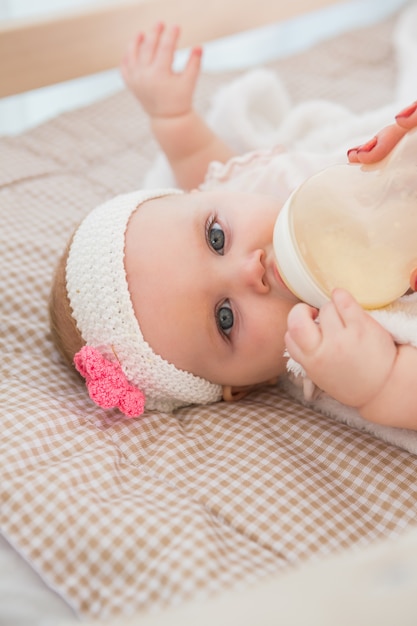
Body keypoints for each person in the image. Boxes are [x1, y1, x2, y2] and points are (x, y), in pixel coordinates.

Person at [50, 22, 417, 428]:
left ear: (202, 197)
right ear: (240, 387)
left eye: (216, 237)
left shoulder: (255, 188)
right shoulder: (331, 359)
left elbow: (198, 161)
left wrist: (170, 115)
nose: (250, 270)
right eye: (225, 318)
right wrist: (380, 383)